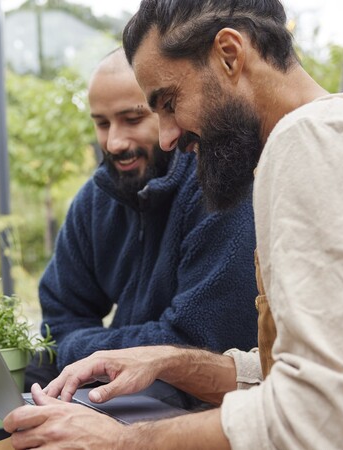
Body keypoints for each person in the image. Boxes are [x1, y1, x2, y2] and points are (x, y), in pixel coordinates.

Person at [4, 1, 343, 449]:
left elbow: (330, 415)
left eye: (168, 102)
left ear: (230, 55)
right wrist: (172, 361)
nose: (168, 138)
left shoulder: (316, 141)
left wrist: (120, 441)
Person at [25, 48, 259, 403]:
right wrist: (95, 355)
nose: (115, 142)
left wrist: (87, 352)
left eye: (132, 119)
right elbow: (58, 322)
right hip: (122, 401)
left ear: (171, 114)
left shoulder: (221, 190)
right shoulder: (96, 197)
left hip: (206, 414)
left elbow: (196, 344)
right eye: (102, 123)